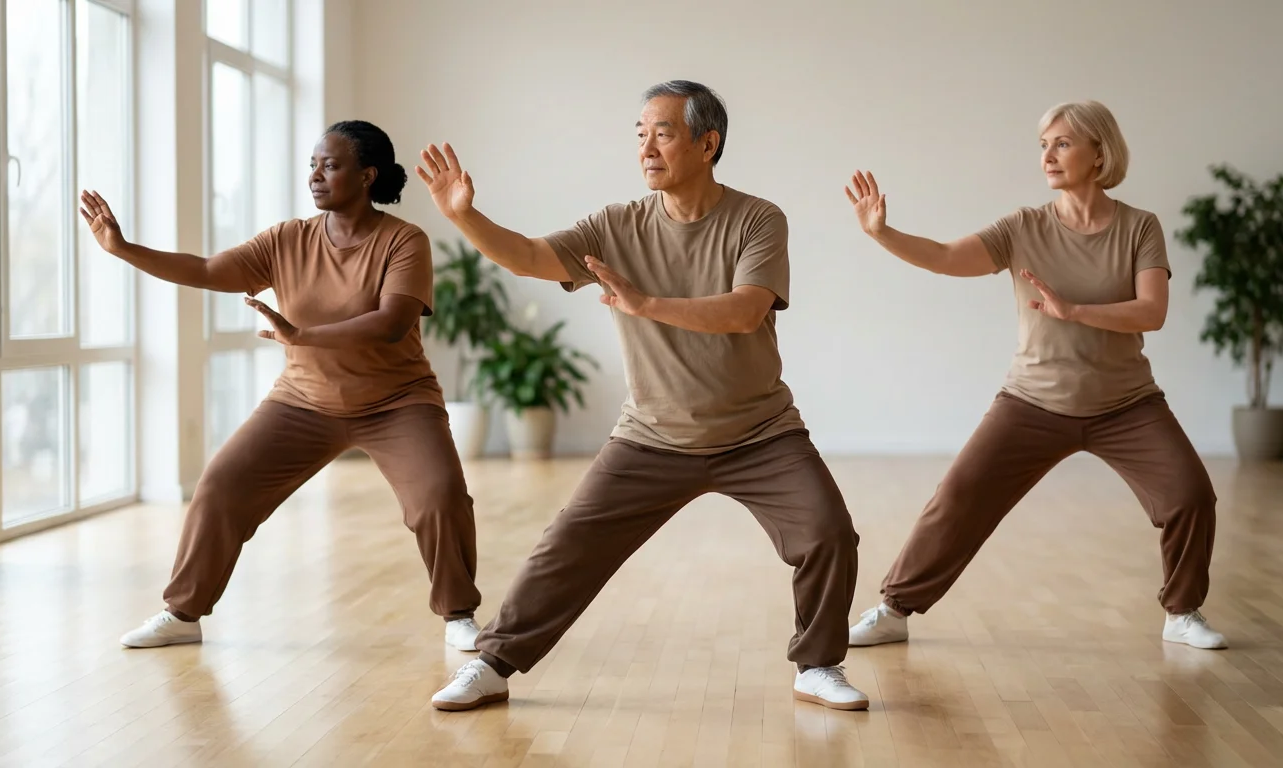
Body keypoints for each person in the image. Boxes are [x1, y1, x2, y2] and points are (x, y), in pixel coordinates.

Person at [418, 80, 868, 712]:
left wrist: (645, 303)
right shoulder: (616, 224)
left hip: (759, 432)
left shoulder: (758, 219)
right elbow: (528, 257)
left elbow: (745, 312)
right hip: (652, 435)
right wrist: (462, 214)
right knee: (566, 547)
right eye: (640, 134)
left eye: (663, 132)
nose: (646, 148)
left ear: (708, 144)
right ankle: (493, 664)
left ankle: (817, 664)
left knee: (828, 534)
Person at [80, 120, 484, 652]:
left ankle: (458, 614)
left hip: (396, 401)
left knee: (440, 495)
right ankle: (182, 614)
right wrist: (124, 249)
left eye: (330, 165)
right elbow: (205, 269)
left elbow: (391, 324)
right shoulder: (287, 239)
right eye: (313, 164)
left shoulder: (403, 241)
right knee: (221, 485)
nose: (315, 176)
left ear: (367, 175)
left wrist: (300, 333)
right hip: (304, 400)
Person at [844, 100, 1227, 651]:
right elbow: (948, 257)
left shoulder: (1140, 227)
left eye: (1063, 143)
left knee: (1191, 495)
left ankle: (1183, 611)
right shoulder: (1023, 227)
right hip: (1033, 400)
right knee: (959, 495)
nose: (1047, 155)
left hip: (1126, 402)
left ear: (1100, 152)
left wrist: (1076, 312)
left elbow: (1152, 312)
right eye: (1043, 144)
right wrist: (884, 234)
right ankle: (894, 608)